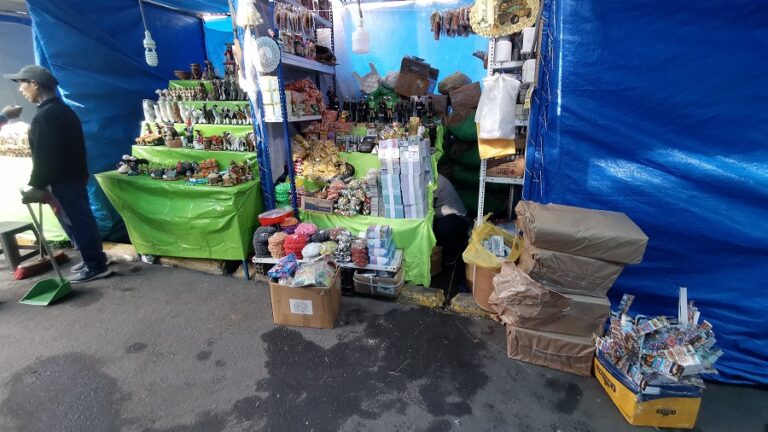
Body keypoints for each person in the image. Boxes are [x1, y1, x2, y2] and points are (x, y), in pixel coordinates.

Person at [4, 65, 112, 283]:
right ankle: (93, 257)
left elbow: (46, 156)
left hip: (62, 180)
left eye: (23, 84)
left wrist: (37, 185)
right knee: (79, 219)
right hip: (71, 177)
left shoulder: (46, 117)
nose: (21, 90)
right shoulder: (62, 111)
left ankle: (95, 264)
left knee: (75, 221)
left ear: (35, 84)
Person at [433, 174, 470, 265]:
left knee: (442, 227)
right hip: (442, 218)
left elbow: (428, 210)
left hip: (458, 219)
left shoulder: (435, 182)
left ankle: (453, 251)